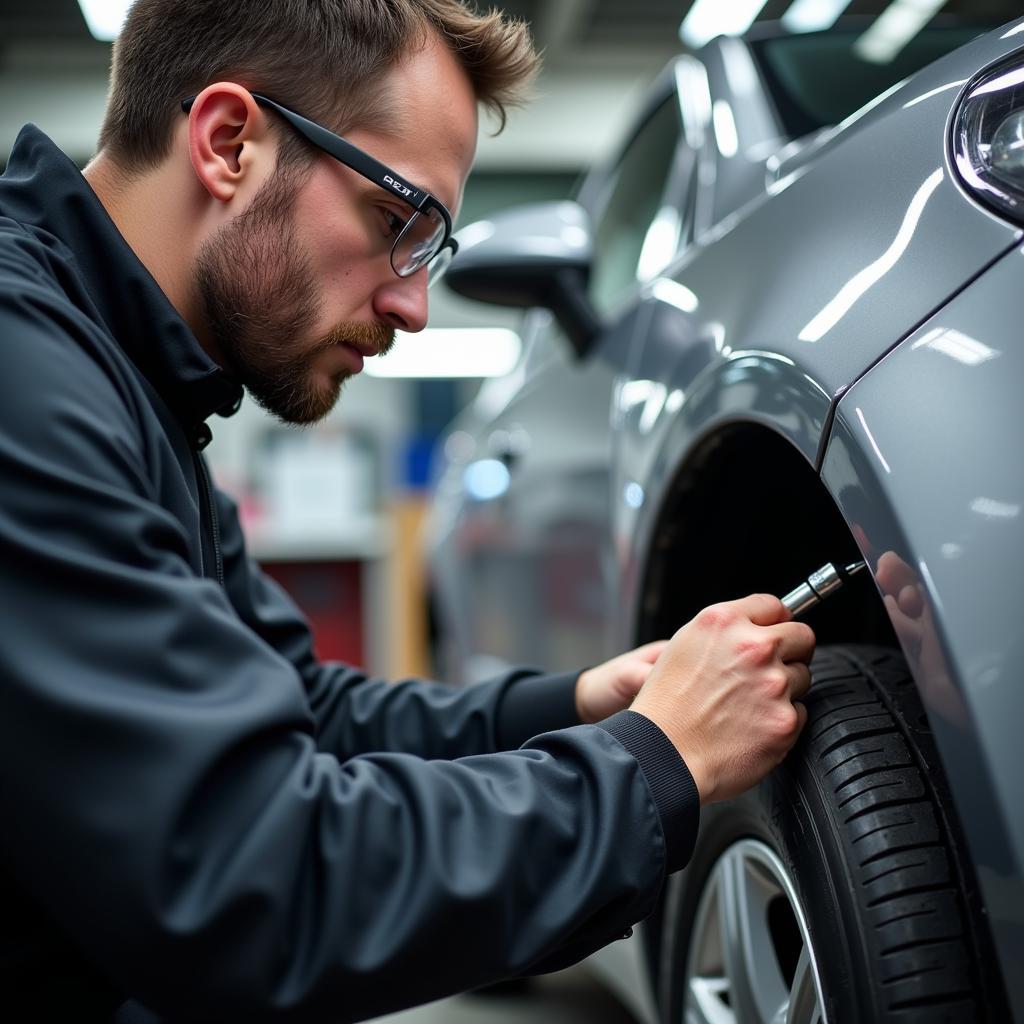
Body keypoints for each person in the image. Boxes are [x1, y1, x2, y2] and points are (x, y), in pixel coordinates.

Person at [0, 1, 816, 1020]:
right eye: (397, 223)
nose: (413, 306)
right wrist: (656, 762)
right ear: (227, 144)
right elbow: (254, 886)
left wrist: (573, 709)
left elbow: (304, 712)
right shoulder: (26, 381)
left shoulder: (130, 388)